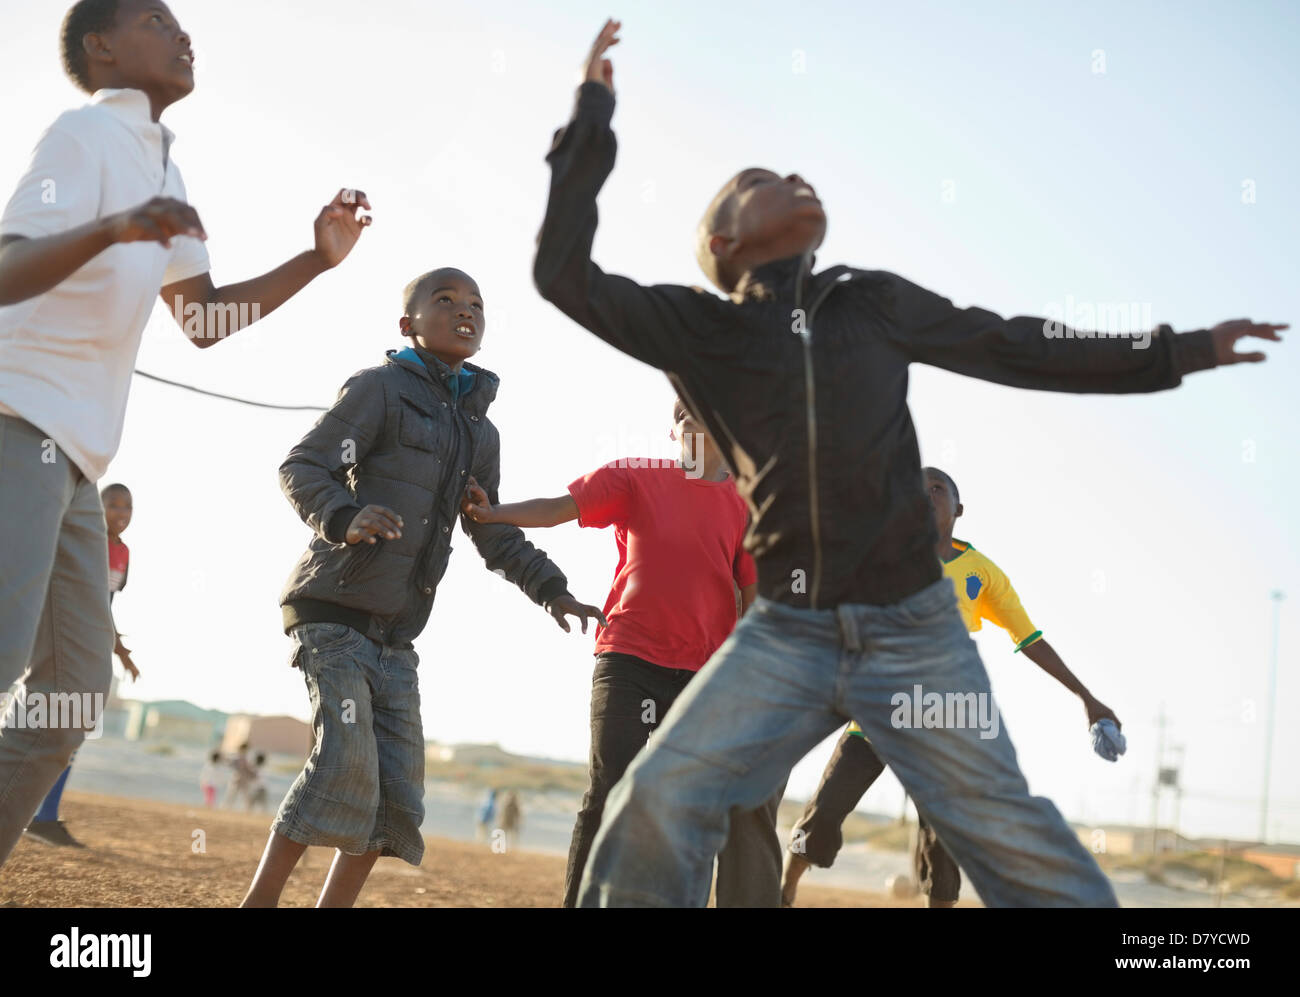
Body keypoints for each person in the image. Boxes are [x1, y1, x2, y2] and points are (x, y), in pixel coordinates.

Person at [534, 20, 1284, 908]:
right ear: (725, 247)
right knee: (652, 802)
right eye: (761, 182)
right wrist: (593, 114)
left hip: (915, 628)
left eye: (797, 175)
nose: (794, 179)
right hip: (787, 630)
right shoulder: (703, 330)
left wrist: (1178, 350)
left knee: (1012, 835)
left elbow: (1016, 345)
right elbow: (564, 275)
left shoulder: (872, 304)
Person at [0, 0, 371, 868]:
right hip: (17, 422)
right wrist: (111, 227)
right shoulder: (83, 135)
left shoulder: (162, 167)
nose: (181, 31)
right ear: (101, 46)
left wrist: (315, 258)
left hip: (80, 467)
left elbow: (205, 320)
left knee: (71, 699)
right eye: (155, 20)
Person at [239, 267, 605, 908]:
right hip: (334, 611)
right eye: (445, 300)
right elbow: (302, 465)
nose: (465, 310)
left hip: (397, 634)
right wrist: (347, 518)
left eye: (476, 305)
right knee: (342, 765)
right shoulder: (379, 390)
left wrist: (553, 590)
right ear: (407, 324)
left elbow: (491, 530)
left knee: (395, 798)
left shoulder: (479, 432)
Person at [462, 398, 783, 907]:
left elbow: (753, 595)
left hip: (706, 674)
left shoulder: (748, 504)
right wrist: (495, 512)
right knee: (610, 789)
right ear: (671, 431)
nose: (688, 415)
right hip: (629, 657)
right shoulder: (634, 475)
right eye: (678, 412)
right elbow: (559, 508)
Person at [782, 467, 1122, 907]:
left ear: (958, 509)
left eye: (937, 489)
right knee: (826, 809)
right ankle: (786, 889)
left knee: (945, 838)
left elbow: (1030, 640)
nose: (925, 494)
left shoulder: (984, 573)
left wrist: (1087, 698)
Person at [24, 482, 139, 847]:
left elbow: (105, 605)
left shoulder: (123, 552)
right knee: (46, 724)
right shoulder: (82, 539)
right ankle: (35, 814)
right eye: (113, 505)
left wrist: (121, 653)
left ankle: (44, 816)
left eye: (127, 507)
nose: (121, 513)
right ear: (98, 507)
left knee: (74, 731)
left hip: (93, 647)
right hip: (64, 639)